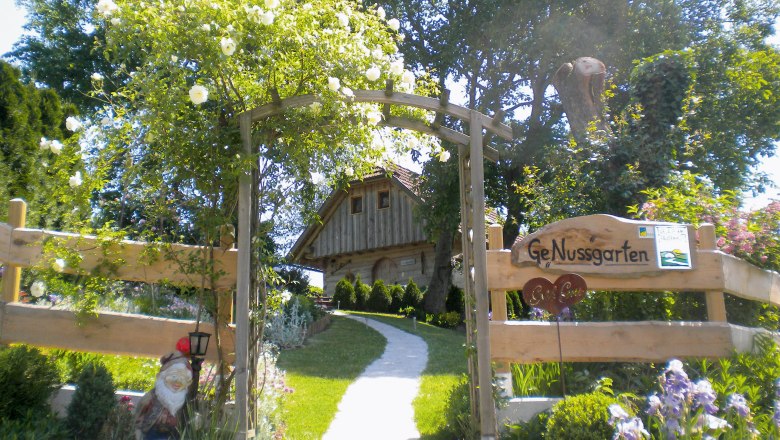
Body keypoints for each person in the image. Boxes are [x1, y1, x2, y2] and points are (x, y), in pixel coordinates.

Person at [134, 338, 193, 440]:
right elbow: (141, 412)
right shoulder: (154, 396)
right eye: (174, 376)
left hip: (174, 435)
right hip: (153, 433)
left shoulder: (184, 400)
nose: (177, 382)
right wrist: (138, 430)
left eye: (182, 378)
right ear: (163, 376)